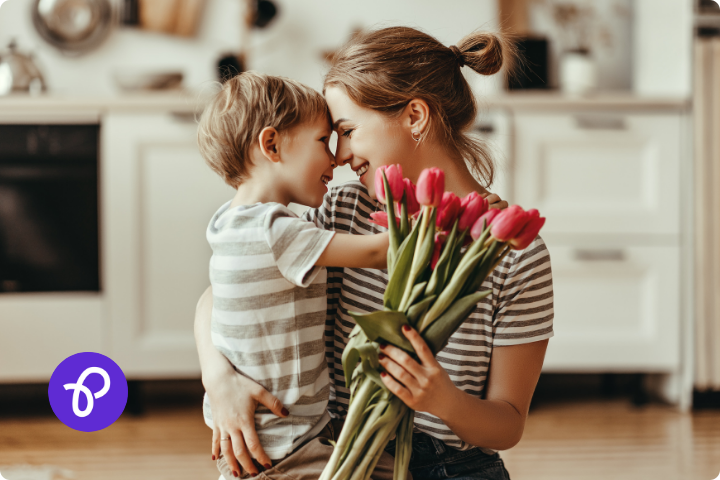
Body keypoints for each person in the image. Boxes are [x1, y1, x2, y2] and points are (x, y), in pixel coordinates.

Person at [195, 27, 554, 480]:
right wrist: (218, 378)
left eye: (346, 130)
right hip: (338, 454)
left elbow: (507, 425)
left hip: (450, 467)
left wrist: (441, 398)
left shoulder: (513, 253)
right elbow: (226, 290)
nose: (340, 155)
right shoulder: (344, 210)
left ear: (415, 116)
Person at [196, 71, 395, 480]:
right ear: (271, 144)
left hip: (270, 437)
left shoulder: (228, 221)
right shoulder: (275, 231)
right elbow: (379, 252)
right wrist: (462, 215)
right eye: (324, 140)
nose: (336, 157)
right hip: (286, 445)